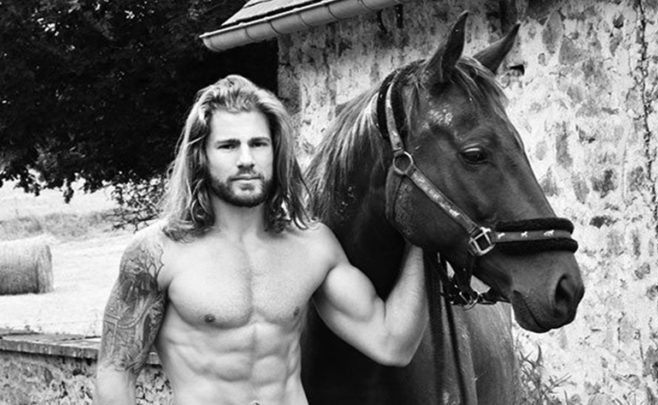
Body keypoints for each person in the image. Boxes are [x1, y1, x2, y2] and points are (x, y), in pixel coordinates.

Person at [94, 75, 426, 405]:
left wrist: (420, 236)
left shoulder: (311, 245)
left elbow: (392, 343)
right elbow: (115, 373)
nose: (246, 160)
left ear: (275, 150)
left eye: (258, 144)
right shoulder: (159, 252)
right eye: (228, 146)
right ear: (201, 156)